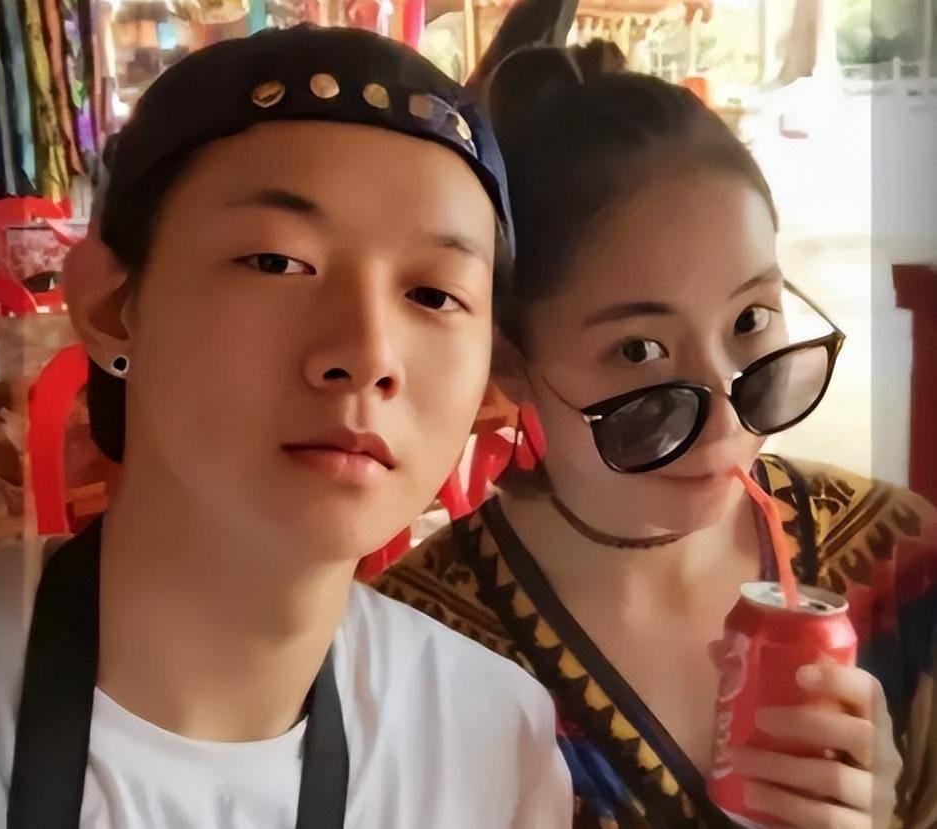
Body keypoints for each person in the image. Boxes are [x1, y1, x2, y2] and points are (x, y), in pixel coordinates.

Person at [0, 25, 573, 829]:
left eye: (434, 294)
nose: (368, 354)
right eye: (278, 261)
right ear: (112, 306)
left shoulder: (484, 747)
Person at [377, 39, 937, 829]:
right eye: (638, 350)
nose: (728, 418)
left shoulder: (902, 561)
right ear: (510, 362)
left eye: (751, 318)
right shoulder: (414, 650)